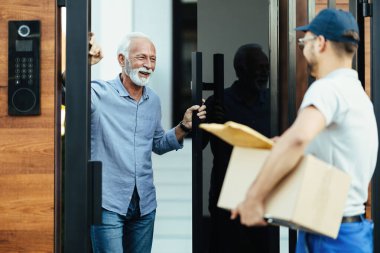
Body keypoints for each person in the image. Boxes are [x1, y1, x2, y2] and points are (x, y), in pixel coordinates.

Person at [231, 8, 378, 253]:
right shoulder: (357, 94)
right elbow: (326, 149)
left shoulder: (327, 88)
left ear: (320, 43)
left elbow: (298, 139)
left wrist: (254, 197)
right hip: (350, 229)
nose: (303, 48)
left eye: (305, 41)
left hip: (328, 235)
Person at [88, 32, 206, 253]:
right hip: (107, 203)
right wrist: (83, 63)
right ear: (122, 60)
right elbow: (67, 92)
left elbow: (158, 144)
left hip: (144, 205)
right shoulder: (99, 93)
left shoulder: (153, 100)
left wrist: (184, 126)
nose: (148, 65)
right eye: (142, 57)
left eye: (153, 59)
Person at [203, 44, 273, 252]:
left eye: (266, 67)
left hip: (263, 192)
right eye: (258, 67)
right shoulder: (219, 102)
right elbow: (198, 146)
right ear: (241, 70)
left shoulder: (274, 100)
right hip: (227, 194)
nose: (264, 73)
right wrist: (205, 121)